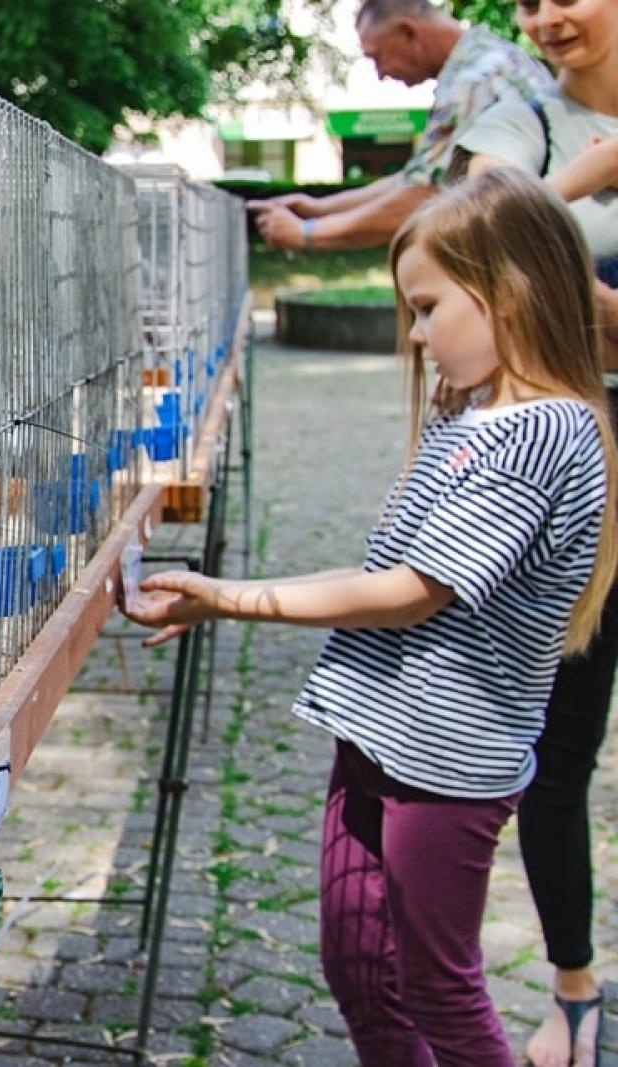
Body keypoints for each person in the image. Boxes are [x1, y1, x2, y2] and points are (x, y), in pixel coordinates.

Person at [125, 168, 618, 1066]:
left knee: (437, 981)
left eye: (429, 309)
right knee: (356, 963)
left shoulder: (540, 431)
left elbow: (411, 589)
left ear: (508, 291)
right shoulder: (475, 418)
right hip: (381, 732)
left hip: (447, 761)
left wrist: (233, 596)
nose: (419, 335)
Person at [454, 2, 618, 1062]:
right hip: (580, 455)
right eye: (525, 0)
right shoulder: (524, 123)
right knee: (557, 753)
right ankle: (572, 983)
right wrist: (590, 173)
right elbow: (466, 242)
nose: (545, 16)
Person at [250, 0, 551, 253]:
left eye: (377, 57)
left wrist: (308, 234)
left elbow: (427, 195)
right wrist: (317, 208)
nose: (380, 74)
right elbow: (415, 178)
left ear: (408, 32)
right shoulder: (479, 63)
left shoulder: (476, 79)